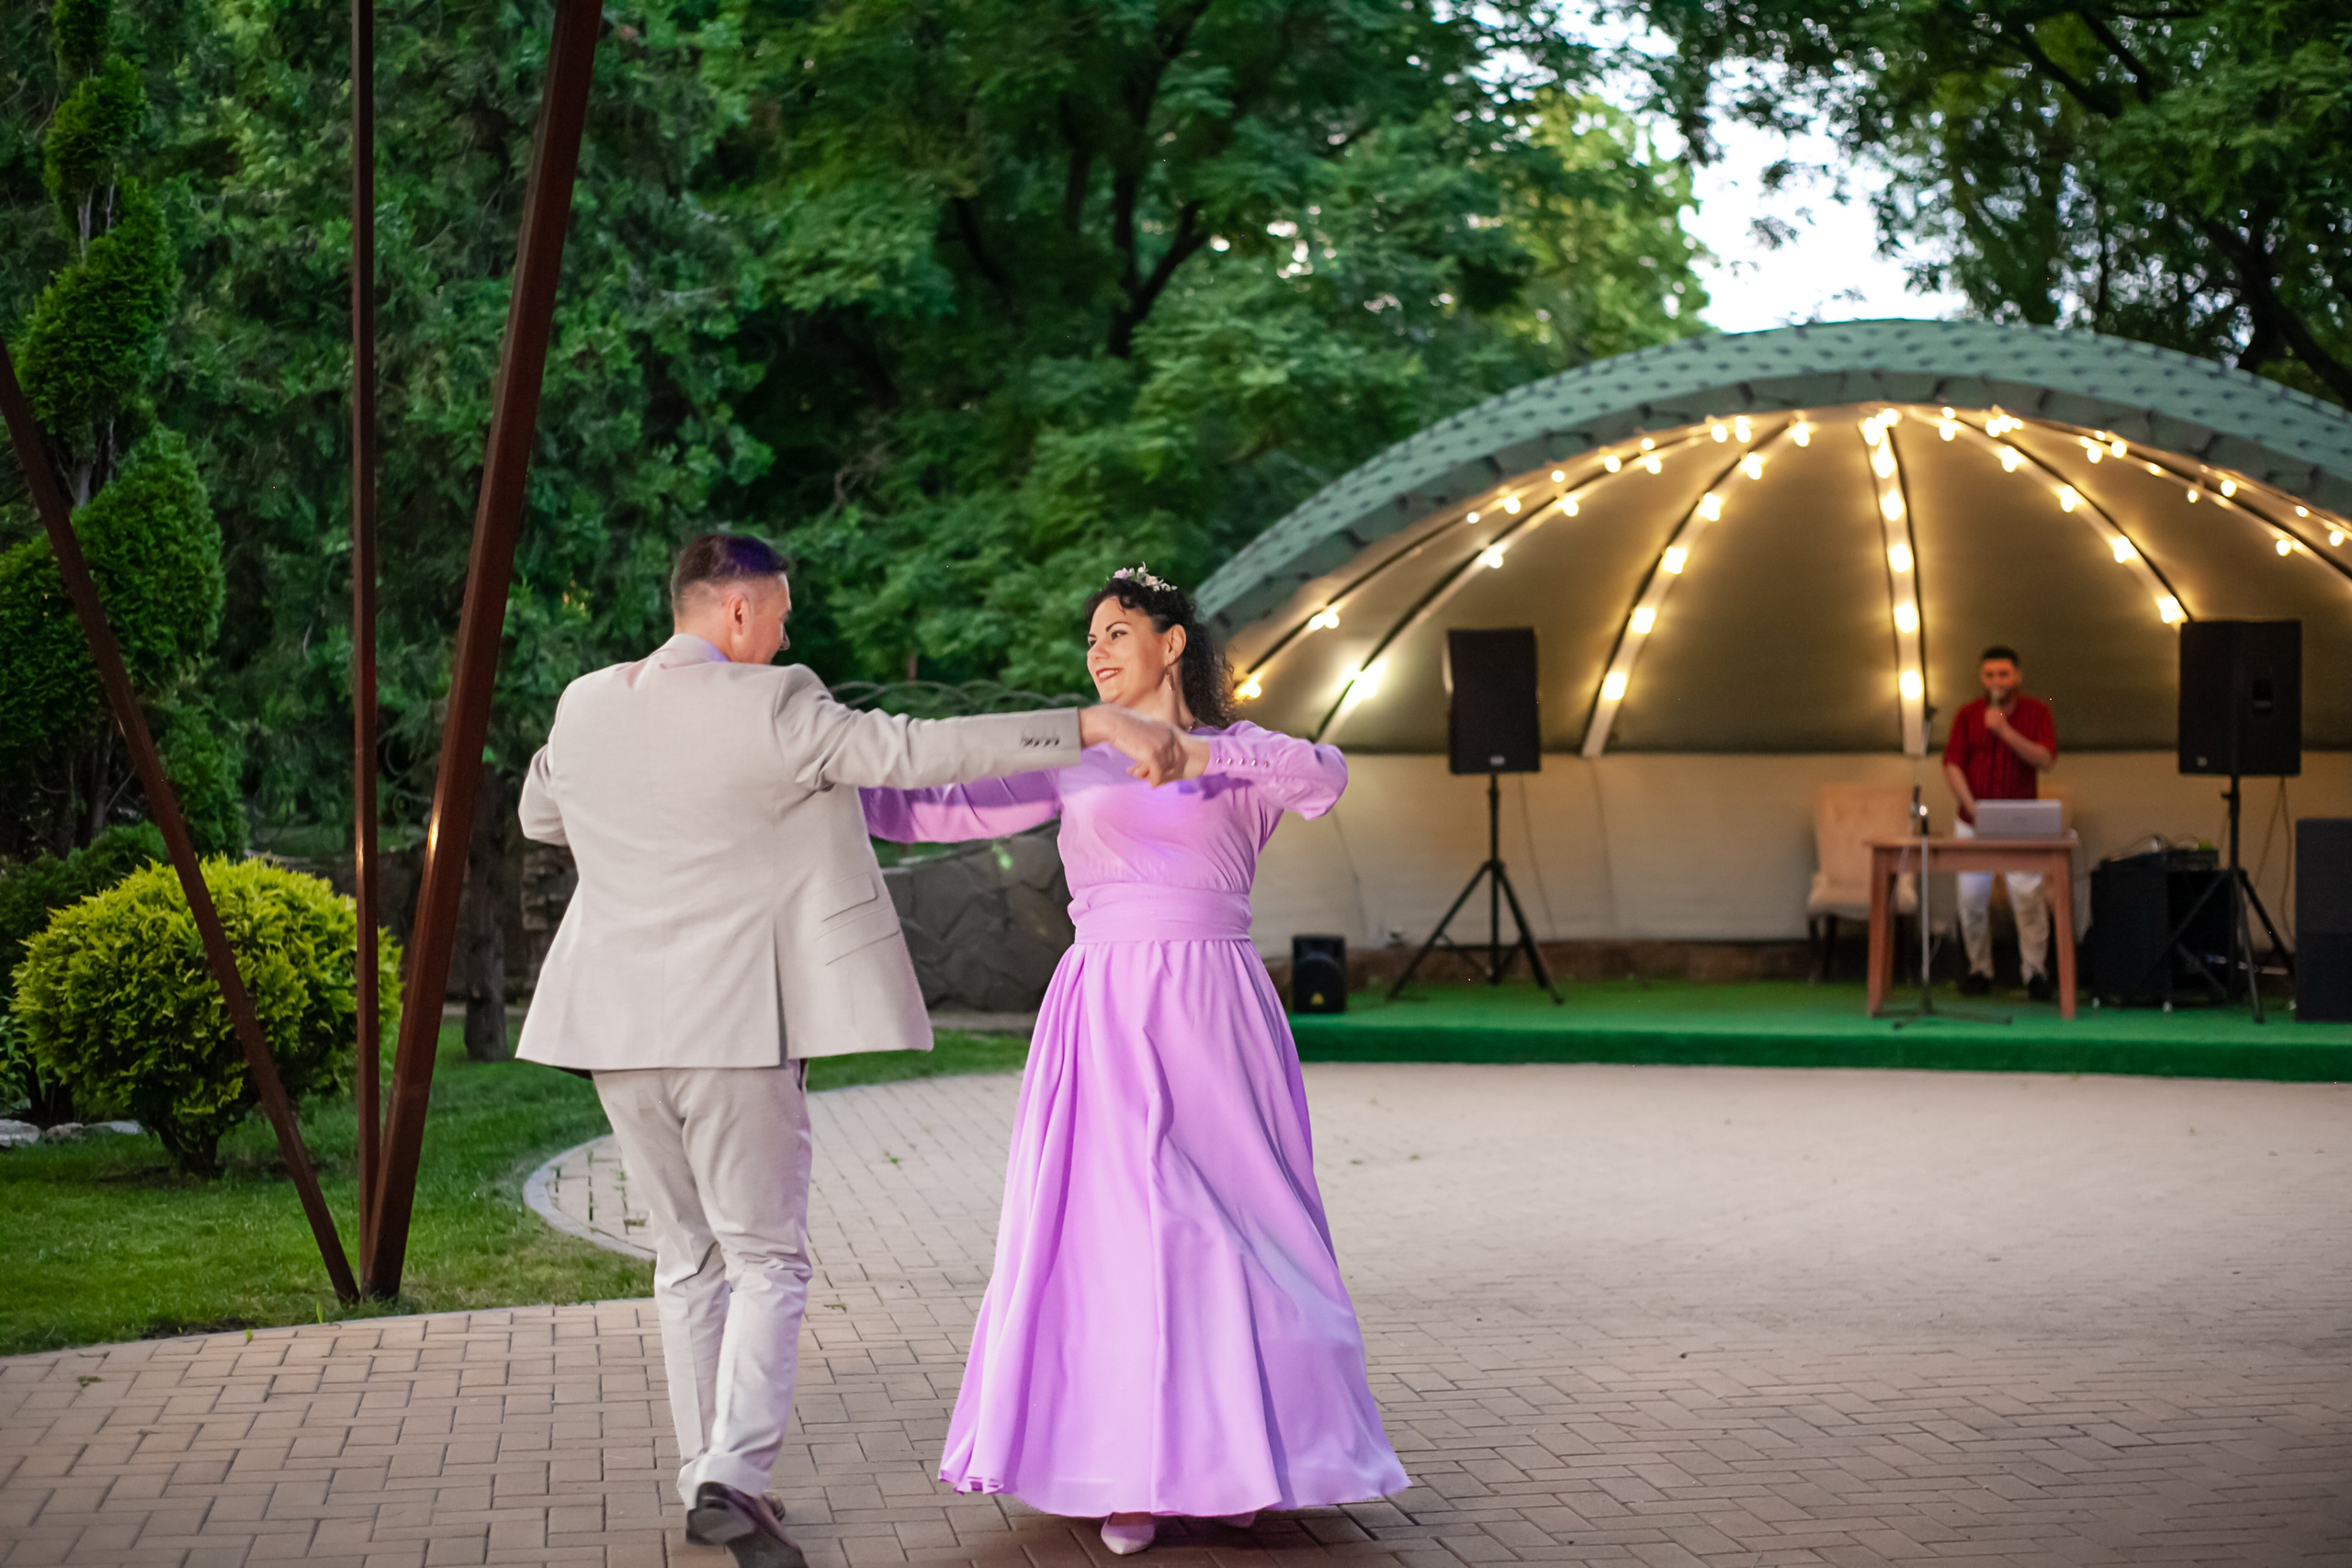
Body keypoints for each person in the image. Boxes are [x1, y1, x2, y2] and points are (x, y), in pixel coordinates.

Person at [514, 535, 1192, 1568]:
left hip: (610, 1028)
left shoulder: (585, 702)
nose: (786, 636)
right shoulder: (778, 702)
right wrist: (1086, 725)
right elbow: (918, 751)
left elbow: (539, 813)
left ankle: (704, 1475)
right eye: (781, 616)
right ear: (737, 611)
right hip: (733, 1026)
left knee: (686, 1257)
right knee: (765, 1257)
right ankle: (733, 1480)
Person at [862, 567, 1409, 1558]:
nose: (1098, 653)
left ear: (1172, 642)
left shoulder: (1245, 756)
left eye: (1117, 632)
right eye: (1090, 641)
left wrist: (1197, 751)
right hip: (1107, 1007)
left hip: (1217, 1011)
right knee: (1128, 1229)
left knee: (1244, 1233)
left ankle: (1235, 1466)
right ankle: (1128, 1472)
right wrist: (816, 776)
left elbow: (1324, 778)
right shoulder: (1079, 756)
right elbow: (931, 810)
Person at [1940, 644, 2060, 999]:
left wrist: (2005, 731)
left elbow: (2046, 759)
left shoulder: (2037, 711)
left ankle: (2035, 972)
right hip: (1973, 819)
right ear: (1982, 677)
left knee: (2028, 897)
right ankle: (1979, 970)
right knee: (1971, 900)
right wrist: (1971, 806)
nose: (1996, 681)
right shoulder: (1967, 715)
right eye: (1990, 674)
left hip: (2020, 819)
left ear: (2017, 677)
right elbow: (1952, 764)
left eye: (2003, 674)